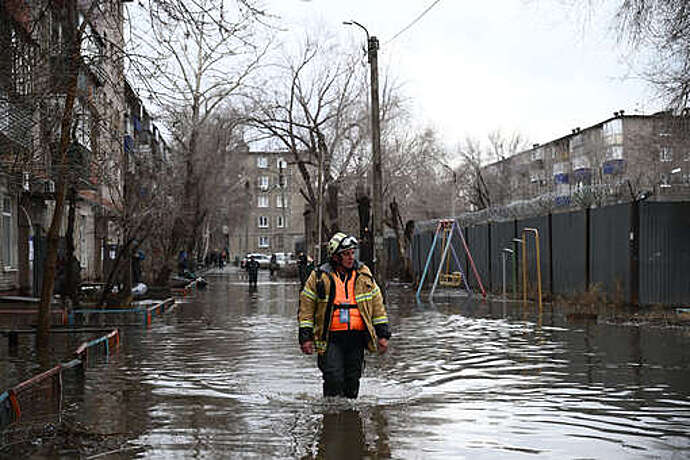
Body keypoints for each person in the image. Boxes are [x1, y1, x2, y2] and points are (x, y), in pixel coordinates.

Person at [298, 232, 391, 399]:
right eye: (346, 254)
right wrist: (306, 338)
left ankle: (350, 418)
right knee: (333, 378)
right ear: (335, 257)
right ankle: (331, 418)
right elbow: (306, 308)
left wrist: (383, 334)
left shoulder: (364, 275)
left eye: (352, 253)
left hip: (356, 338)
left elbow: (377, 306)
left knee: (352, 382)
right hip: (330, 338)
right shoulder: (319, 277)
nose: (350, 257)